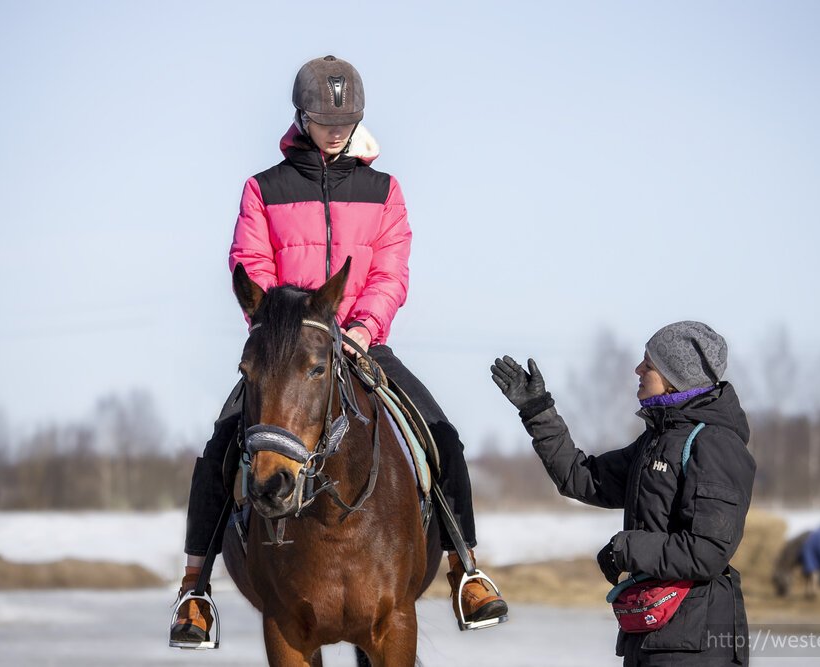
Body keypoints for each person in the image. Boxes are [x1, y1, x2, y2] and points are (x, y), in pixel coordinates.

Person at [171, 55, 507, 646]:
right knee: (222, 445)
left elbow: (391, 271)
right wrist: (283, 329)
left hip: (360, 340)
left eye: (347, 118)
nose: (337, 128)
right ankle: (195, 589)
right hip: (287, 346)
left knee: (442, 436)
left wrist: (361, 329)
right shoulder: (263, 188)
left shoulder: (384, 190)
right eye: (326, 118)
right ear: (301, 116)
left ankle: (466, 570)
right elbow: (250, 265)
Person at [492, 321, 756, 666]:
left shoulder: (715, 444)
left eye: (649, 363)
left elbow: (708, 551)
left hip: (698, 643)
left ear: (674, 375)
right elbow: (581, 477)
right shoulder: (656, 441)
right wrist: (538, 411)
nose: (638, 369)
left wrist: (626, 548)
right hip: (654, 631)